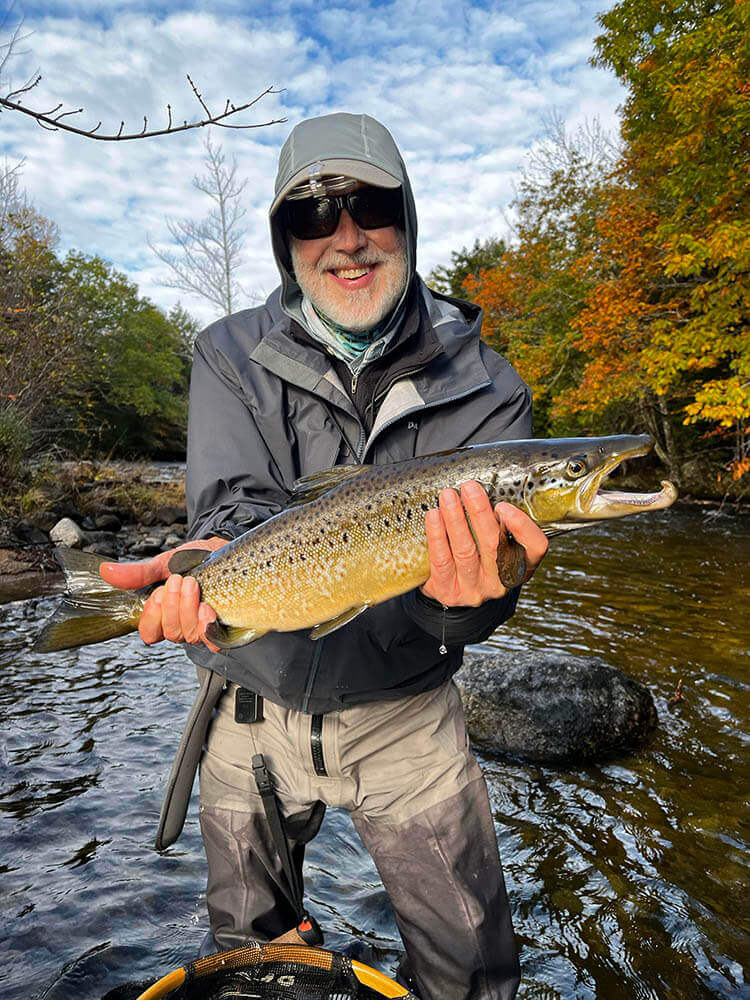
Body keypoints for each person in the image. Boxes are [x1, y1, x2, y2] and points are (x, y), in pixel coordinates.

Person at [101, 112, 548, 1000]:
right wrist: (208, 566)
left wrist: (463, 601)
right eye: (312, 217)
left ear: (408, 219)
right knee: (253, 961)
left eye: (371, 207)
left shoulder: (491, 386)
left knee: (473, 973)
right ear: (284, 241)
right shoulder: (227, 352)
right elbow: (231, 502)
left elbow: (474, 603)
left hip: (407, 710)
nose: (346, 239)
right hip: (250, 701)